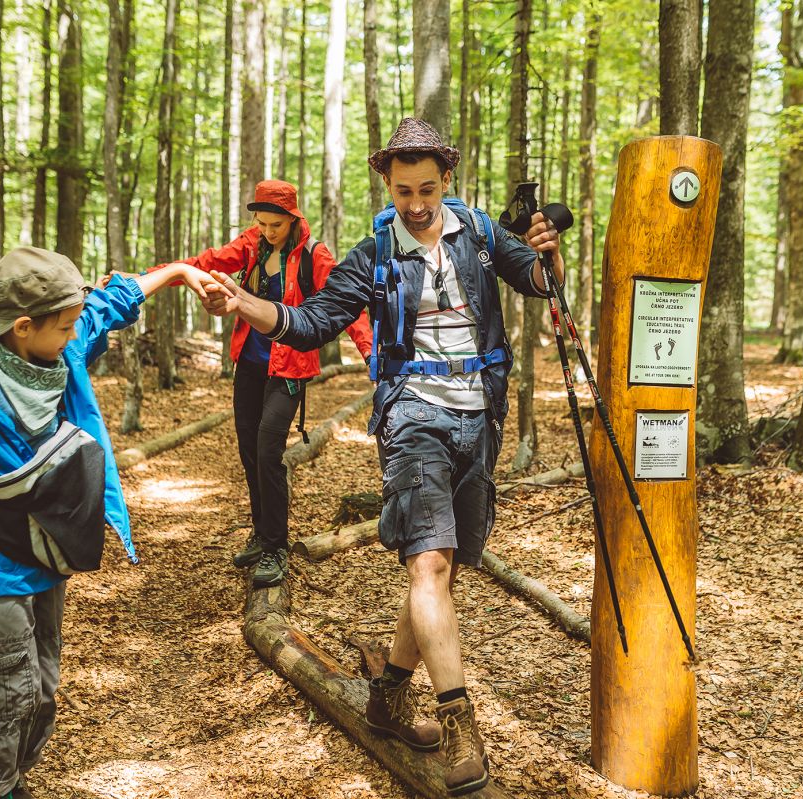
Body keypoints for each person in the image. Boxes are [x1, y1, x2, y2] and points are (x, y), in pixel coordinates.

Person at [201, 118, 566, 795]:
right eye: (403, 191)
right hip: (410, 416)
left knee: (443, 569)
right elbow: (310, 322)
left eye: (427, 188)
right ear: (387, 185)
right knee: (427, 559)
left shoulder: (480, 235)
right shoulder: (372, 256)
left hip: (479, 414)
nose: (417, 202)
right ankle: (460, 723)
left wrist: (546, 252)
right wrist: (242, 299)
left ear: (447, 180)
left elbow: (540, 282)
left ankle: (389, 698)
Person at [0, 246, 221, 799]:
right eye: (66, 327)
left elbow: (111, 303)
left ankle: (19, 770)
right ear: (23, 327)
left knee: (44, 685)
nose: (77, 336)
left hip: (48, 553)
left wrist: (177, 273)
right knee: (10, 690)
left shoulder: (61, 353)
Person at [152, 180, 373, 587]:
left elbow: (351, 307)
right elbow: (204, 263)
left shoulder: (314, 255)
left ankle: (276, 547)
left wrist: (373, 357)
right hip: (249, 365)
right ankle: (261, 532)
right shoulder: (252, 245)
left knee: (269, 450)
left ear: (293, 218)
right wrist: (144, 279)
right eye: (262, 223)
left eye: (276, 224)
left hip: (288, 367)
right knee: (248, 450)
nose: (268, 232)